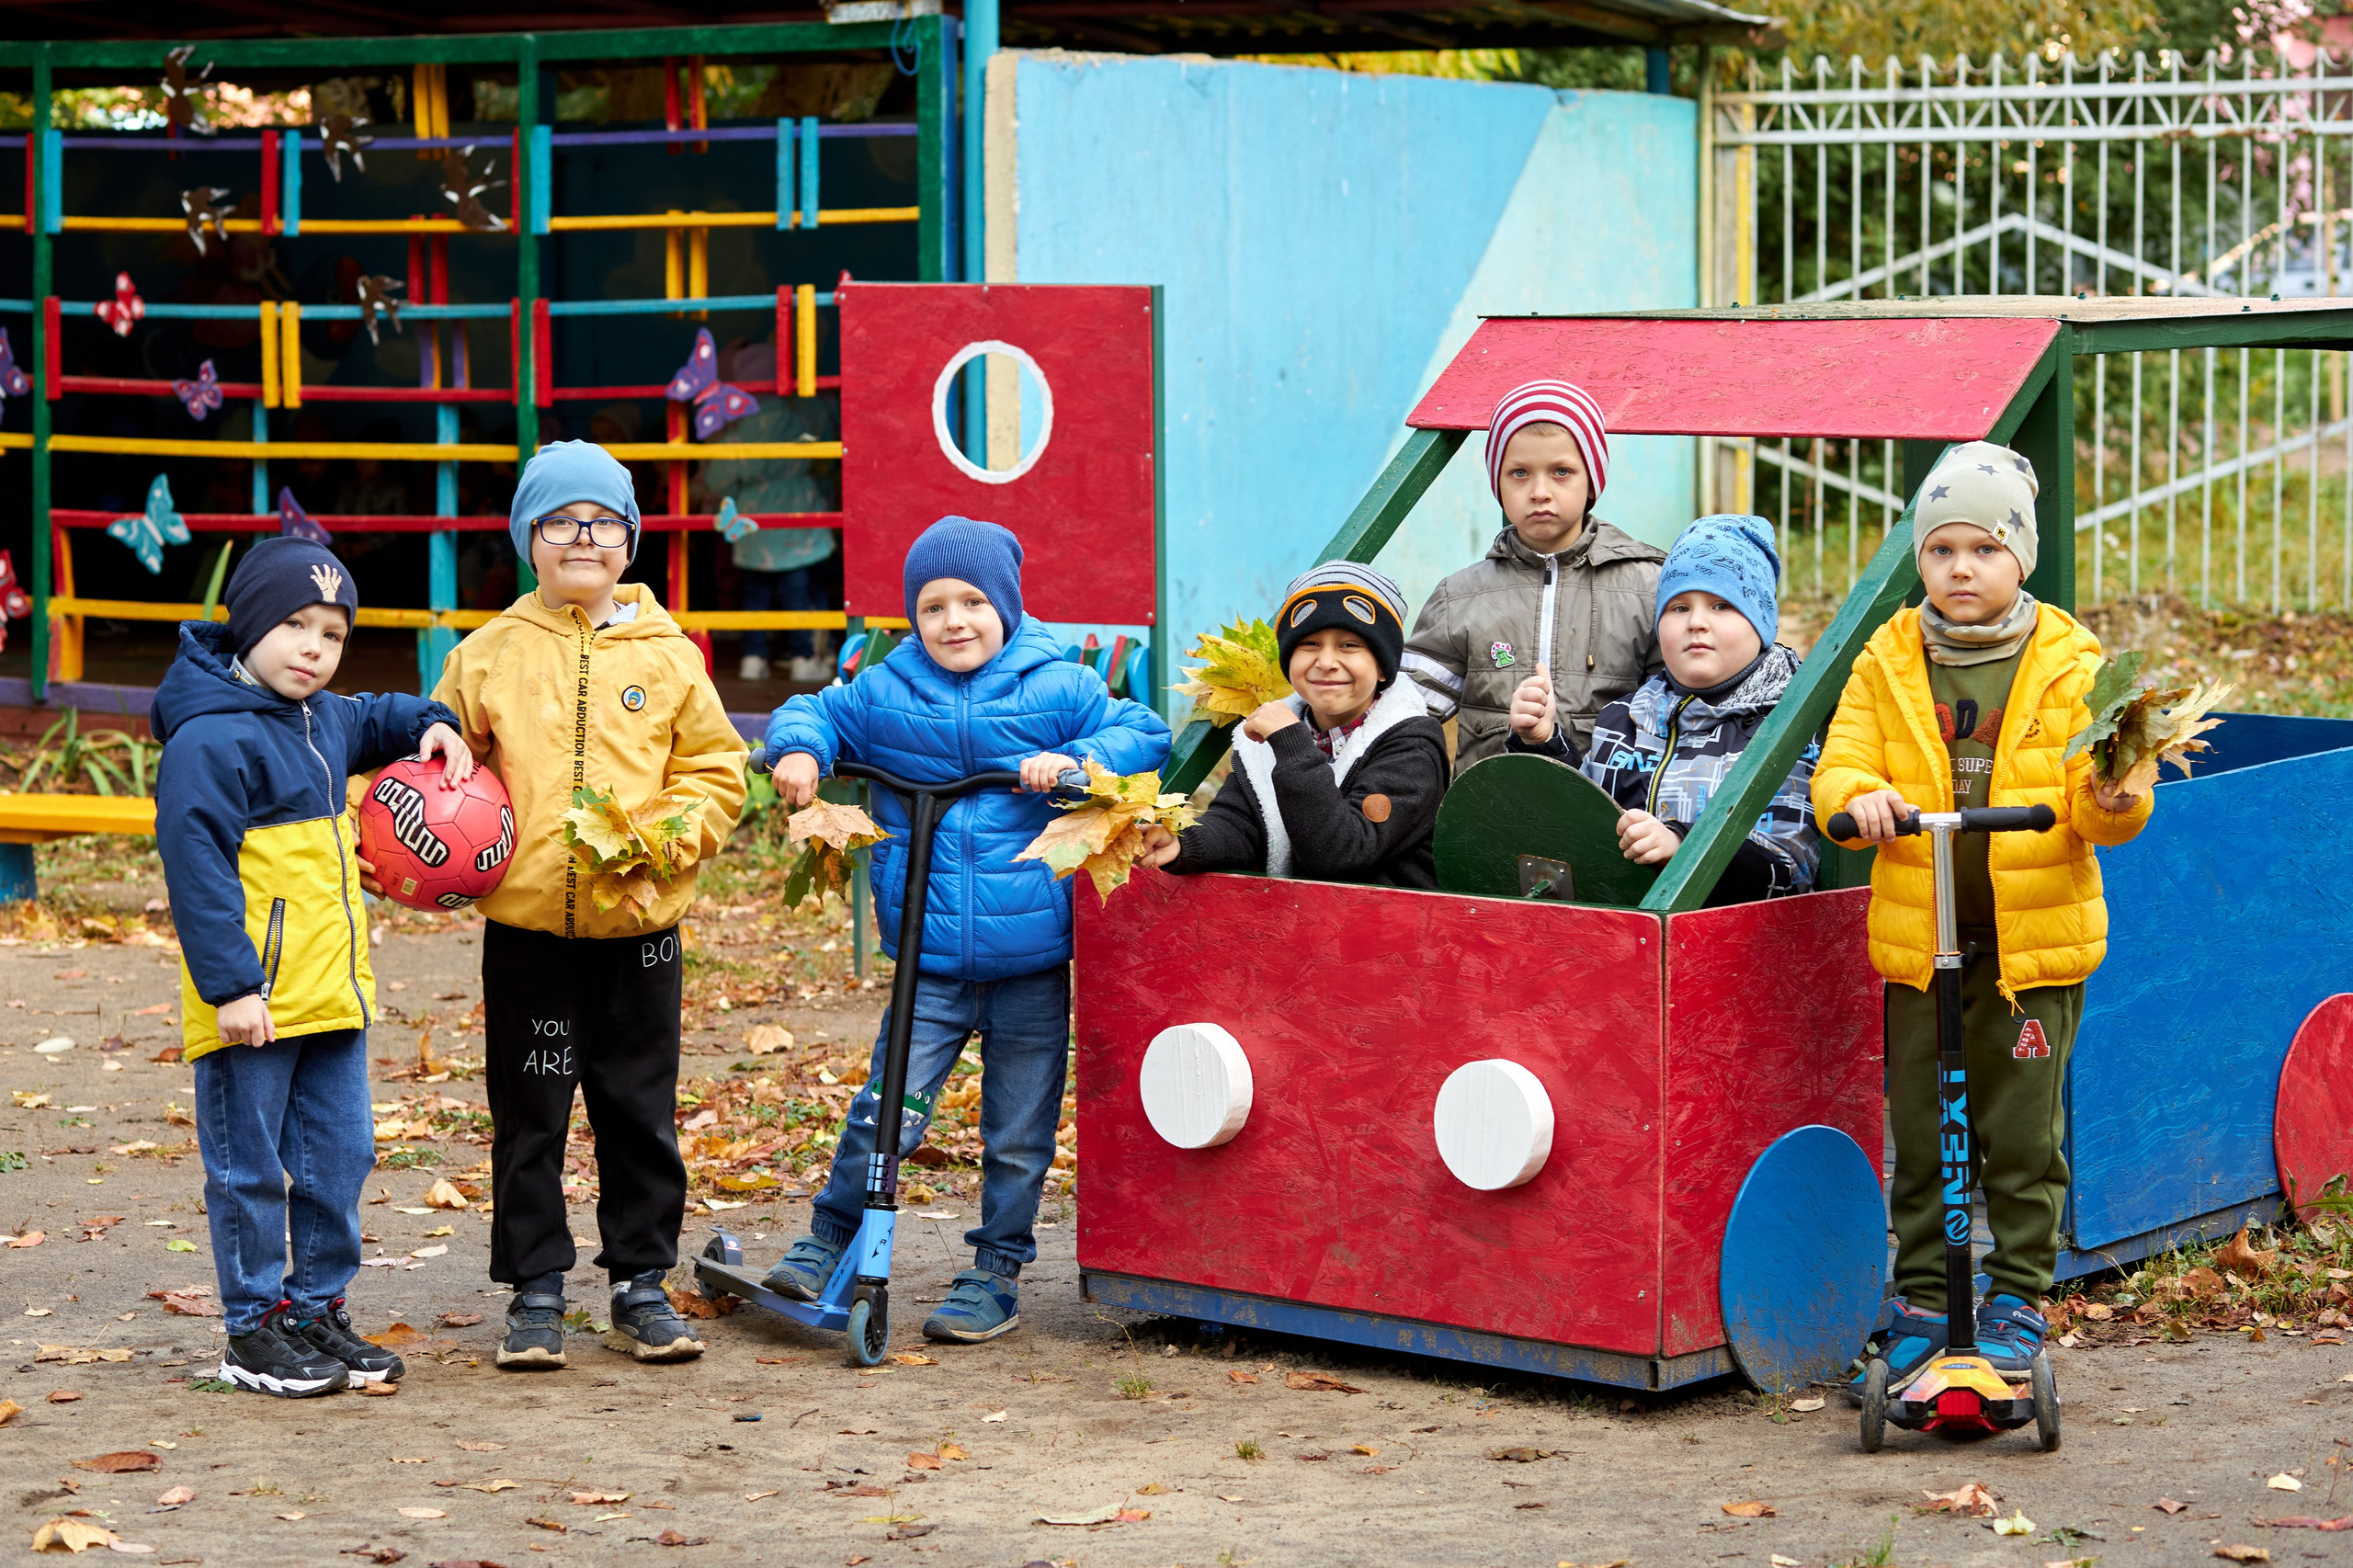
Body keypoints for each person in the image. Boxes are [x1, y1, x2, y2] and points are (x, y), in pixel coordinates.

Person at [762, 516, 1170, 1343]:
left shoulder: (1057, 685)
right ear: (913, 618)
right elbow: (816, 710)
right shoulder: (886, 691)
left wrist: (1077, 763)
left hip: (1031, 962)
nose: (955, 620)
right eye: (934, 606)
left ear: (1007, 605)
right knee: (887, 1110)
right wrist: (802, 751)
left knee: (1018, 1134)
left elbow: (1145, 731)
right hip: (930, 962)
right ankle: (829, 1239)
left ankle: (995, 1272)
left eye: (974, 601)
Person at [1813, 441, 2154, 1389]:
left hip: (2029, 947)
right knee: (1921, 1126)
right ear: (1919, 560)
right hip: (1927, 943)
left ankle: (2016, 1296)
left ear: (2020, 559)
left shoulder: (2070, 662)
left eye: (1984, 549)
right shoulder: (1890, 657)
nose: (1961, 568)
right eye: (1941, 550)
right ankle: (1923, 1296)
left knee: (2018, 1132)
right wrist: (1863, 796)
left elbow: (2107, 787)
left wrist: (2116, 798)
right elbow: (1841, 762)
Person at [429, 441, 749, 1372]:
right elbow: (442, 757)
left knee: (637, 1107)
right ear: (530, 536)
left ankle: (639, 1283)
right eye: (561, 519)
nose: (583, 536)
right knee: (531, 1110)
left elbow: (716, 770)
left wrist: (673, 833)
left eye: (603, 520)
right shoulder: (485, 654)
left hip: (639, 931)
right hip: (528, 930)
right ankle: (535, 1289)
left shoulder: (671, 654)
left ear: (628, 541)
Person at [153, 538, 472, 1398]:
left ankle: (313, 1307)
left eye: (331, 634)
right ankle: (250, 1330)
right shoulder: (209, 741)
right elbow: (197, 869)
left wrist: (428, 722)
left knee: (342, 1156)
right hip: (251, 1002)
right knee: (250, 1169)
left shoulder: (324, 718)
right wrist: (231, 988)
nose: (312, 649)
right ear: (250, 625)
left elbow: (377, 715)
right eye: (294, 625)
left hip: (333, 995)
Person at [1512, 515, 1819, 903]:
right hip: (1617, 939)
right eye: (1678, 607)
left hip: (1728, 947)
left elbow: (1793, 869)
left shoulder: (1787, 726)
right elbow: (1577, 832)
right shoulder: (1622, 719)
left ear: (1761, 622)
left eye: (1722, 605)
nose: (1697, 622)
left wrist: (1683, 847)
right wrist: (1542, 743)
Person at [1401, 380, 1665, 772]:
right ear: (1498, 486)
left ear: (1592, 481)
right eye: (1520, 473)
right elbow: (1404, 712)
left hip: (1614, 819)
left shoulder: (1647, 588)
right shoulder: (1459, 598)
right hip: (1488, 817)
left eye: (1561, 471)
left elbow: (1679, 713)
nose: (1540, 491)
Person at [1139, 562, 1448, 888]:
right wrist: (1183, 845)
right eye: (1309, 644)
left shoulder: (1412, 745)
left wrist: (1292, 745)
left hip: (1394, 927)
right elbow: (1240, 825)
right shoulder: (1269, 739)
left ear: (1384, 668)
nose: (1326, 663)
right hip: (1299, 925)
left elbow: (1342, 854)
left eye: (1349, 645)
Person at [696, 339, 841, 684]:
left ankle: (752, 656)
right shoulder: (799, 422)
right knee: (798, 593)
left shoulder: (740, 429)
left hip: (753, 527)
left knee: (755, 595)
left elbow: (718, 475)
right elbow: (823, 446)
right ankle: (804, 656)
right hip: (797, 521)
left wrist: (737, 486)